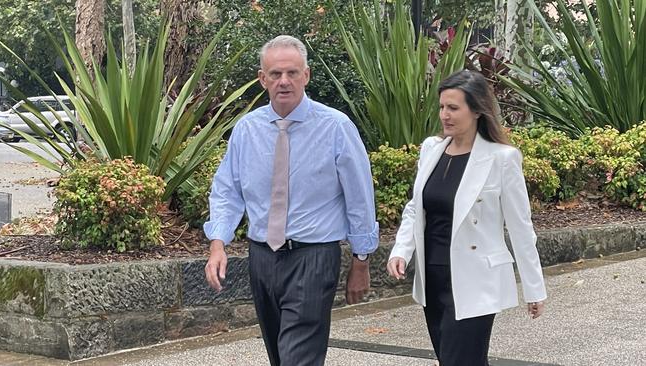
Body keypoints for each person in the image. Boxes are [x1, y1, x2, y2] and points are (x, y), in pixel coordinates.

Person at [203, 35, 379, 366]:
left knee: (298, 357)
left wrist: (361, 260)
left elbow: (360, 198)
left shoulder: (336, 128)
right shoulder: (246, 130)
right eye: (275, 74)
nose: (284, 81)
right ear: (262, 79)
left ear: (306, 76)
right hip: (262, 259)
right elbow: (227, 189)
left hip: (313, 257)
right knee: (280, 354)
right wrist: (218, 243)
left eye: (292, 73)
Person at [386, 70, 547, 366]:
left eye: (453, 108)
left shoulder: (502, 158)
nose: (444, 115)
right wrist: (401, 251)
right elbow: (415, 208)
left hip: (477, 279)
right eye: (442, 107)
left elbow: (521, 227)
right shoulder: (431, 149)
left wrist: (533, 288)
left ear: (476, 110)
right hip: (433, 276)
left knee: (461, 360)